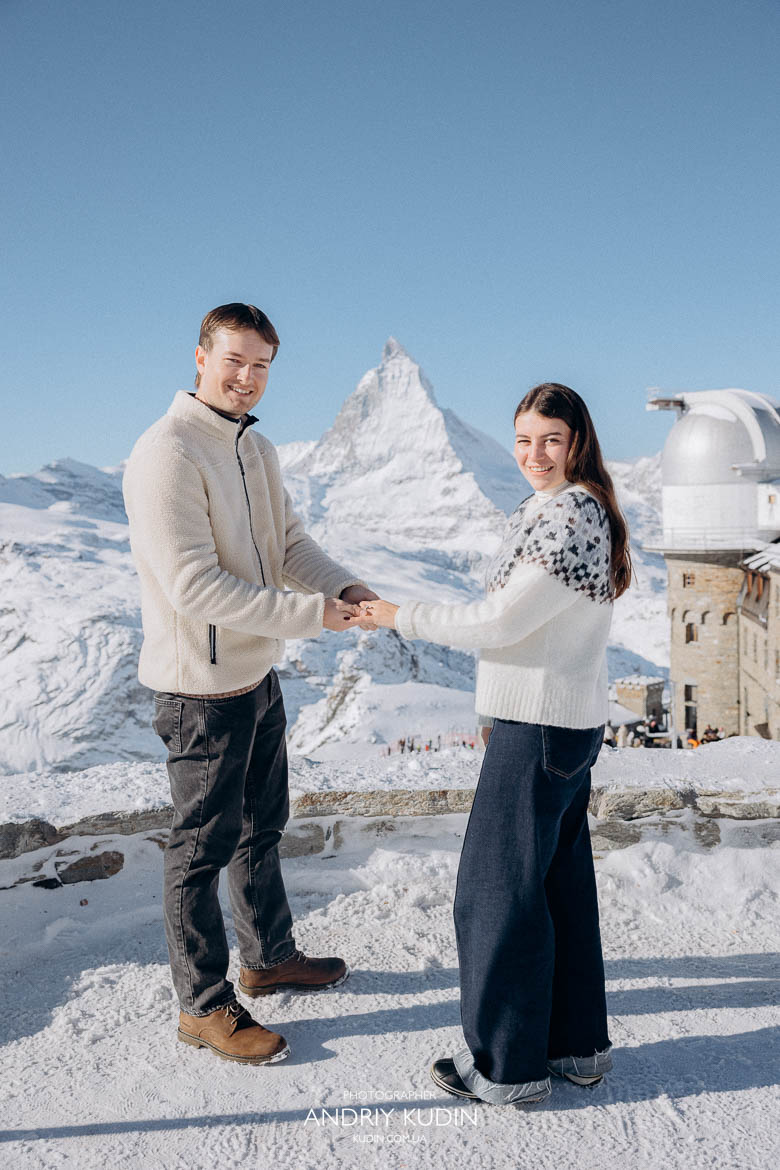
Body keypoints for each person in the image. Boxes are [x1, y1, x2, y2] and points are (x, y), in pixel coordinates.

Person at [361, 382, 632, 1106]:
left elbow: (501, 623)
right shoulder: (571, 508)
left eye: (550, 439)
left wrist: (397, 614)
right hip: (562, 722)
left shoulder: (568, 513)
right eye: (522, 440)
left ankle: (506, 1068)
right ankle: (577, 1047)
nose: (534, 454)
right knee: (556, 889)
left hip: (539, 726)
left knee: (494, 896)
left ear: (576, 441)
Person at [123, 303, 377, 1066]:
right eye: (233, 360)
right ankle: (202, 1007)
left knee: (261, 828)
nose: (246, 376)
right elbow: (194, 584)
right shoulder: (167, 452)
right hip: (199, 691)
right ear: (199, 356)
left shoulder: (253, 448)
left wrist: (350, 588)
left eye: (261, 364)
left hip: (254, 673)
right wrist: (311, 615)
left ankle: (267, 960)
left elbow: (290, 544)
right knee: (199, 850)